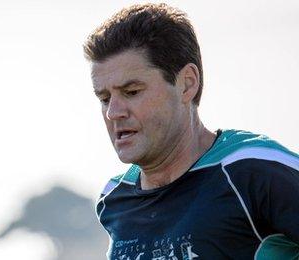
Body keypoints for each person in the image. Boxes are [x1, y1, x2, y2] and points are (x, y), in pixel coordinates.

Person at [84, 3, 299, 259]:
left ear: (187, 84)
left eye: (132, 92)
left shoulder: (254, 171)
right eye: (105, 98)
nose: (113, 112)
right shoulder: (113, 198)